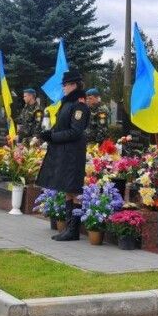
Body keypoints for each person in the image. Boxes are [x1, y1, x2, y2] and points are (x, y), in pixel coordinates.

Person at [36, 70, 90, 241]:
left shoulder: (79, 105)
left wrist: (53, 137)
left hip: (73, 153)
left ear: (73, 85)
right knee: (68, 189)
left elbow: (75, 131)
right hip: (65, 152)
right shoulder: (67, 103)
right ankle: (69, 228)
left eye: (65, 85)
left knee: (73, 189)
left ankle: (73, 230)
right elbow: (61, 126)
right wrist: (48, 133)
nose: (64, 88)